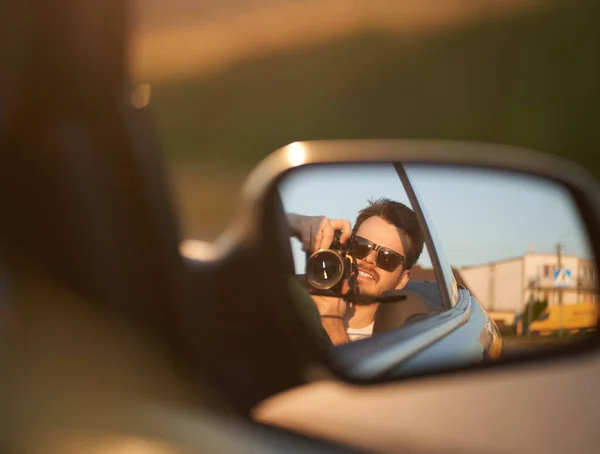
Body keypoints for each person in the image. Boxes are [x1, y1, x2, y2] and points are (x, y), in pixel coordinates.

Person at [287, 198, 425, 345]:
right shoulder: (294, 299)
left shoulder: (400, 343)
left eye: (387, 257)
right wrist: (291, 222)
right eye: (361, 246)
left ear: (402, 279)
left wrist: (333, 325)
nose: (369, 259)